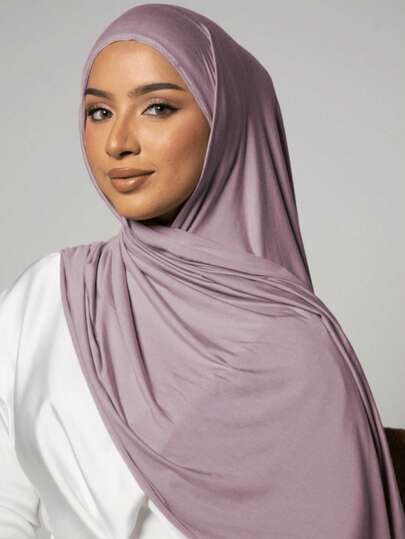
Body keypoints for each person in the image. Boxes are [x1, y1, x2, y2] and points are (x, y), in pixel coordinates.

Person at [0, 3, 404, 539]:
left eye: (157, 108)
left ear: (225, 122)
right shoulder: (46, 297)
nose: (118, 142)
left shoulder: (294, 348)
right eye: (99, 112)